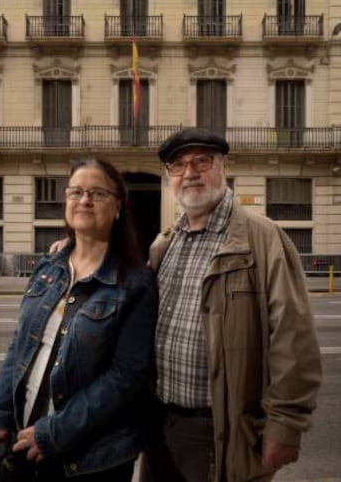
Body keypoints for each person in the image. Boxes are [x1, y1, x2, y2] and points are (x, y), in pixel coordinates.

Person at [138, 127, 322, 482]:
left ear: (223, 166)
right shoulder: (165, 244)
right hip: (159, 425)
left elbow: (294, 340)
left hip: (219, 431)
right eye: (177, 166)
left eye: (201, 161)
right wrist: (74, 248)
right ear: (169, 178)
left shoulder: (263, 238)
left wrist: (284, 426)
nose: (189, 173)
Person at [0, 157, 157, 482]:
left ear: (118, 206)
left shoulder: (135, 283)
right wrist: (1, 409)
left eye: (97, 193)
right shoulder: (49, 267)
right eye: (75, 191)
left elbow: (126, 377)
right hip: (23, 439)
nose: (84, 200)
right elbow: (20, 344)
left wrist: (54, 432)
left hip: (90, 456)